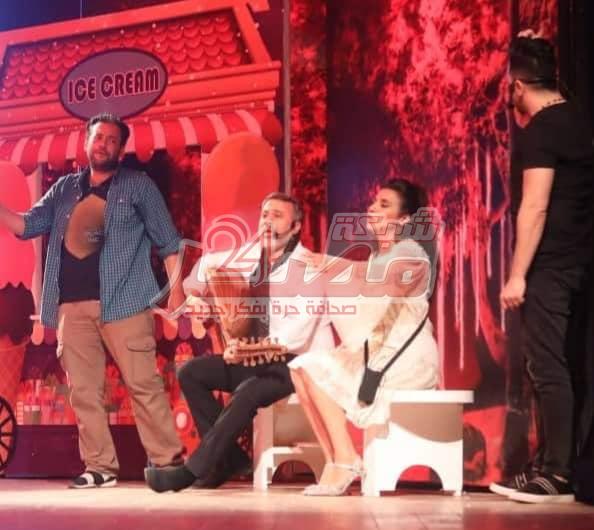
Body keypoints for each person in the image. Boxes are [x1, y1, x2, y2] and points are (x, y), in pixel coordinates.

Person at [0, 113, 185, 488]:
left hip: (125, 302)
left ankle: (168, 461)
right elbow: (27, 225)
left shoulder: (138, 186)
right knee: (83, 391)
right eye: (98, 137)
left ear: (121, 148)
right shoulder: (65, 189)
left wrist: (176, 292)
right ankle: (100, 466)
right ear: (86, 142)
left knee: (143, 383)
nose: (104, 144)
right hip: (71, 306)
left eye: (112, 140)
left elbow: (168, 241)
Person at [144, 192, 335, 492]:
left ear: (296, 226)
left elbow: (296, 336)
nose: (267, 221)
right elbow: (206, 266)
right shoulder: (250, 256)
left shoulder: (308, 267)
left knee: (248, 390)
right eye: (265, 214)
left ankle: (191, 472)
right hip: (257, 359)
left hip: (298, 363)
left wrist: (245, 350)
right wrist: (195, 297)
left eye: (277, 216)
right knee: (191, 372)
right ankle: (228, 459)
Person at [491, 34, 594, 503]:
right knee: (567, 365)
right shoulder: (578, 119)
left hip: (550, 265)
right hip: (580, 263)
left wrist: (517, 275)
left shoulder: (540, 130)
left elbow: (535, 207)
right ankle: (553, 463)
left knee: (546, 366)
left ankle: (556, 473)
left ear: (516, 86)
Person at [289, 179, 440, 496]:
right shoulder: (375, 257)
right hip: (380, 353)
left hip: (408, 360)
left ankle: (345, 461)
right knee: (301, 368)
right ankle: (336, 462)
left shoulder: (412, 251)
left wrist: (335, 265)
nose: (372, 208)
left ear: (404, 219)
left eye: (384, 205)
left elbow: (382, 279)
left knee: (313, 369)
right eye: (374, 202)